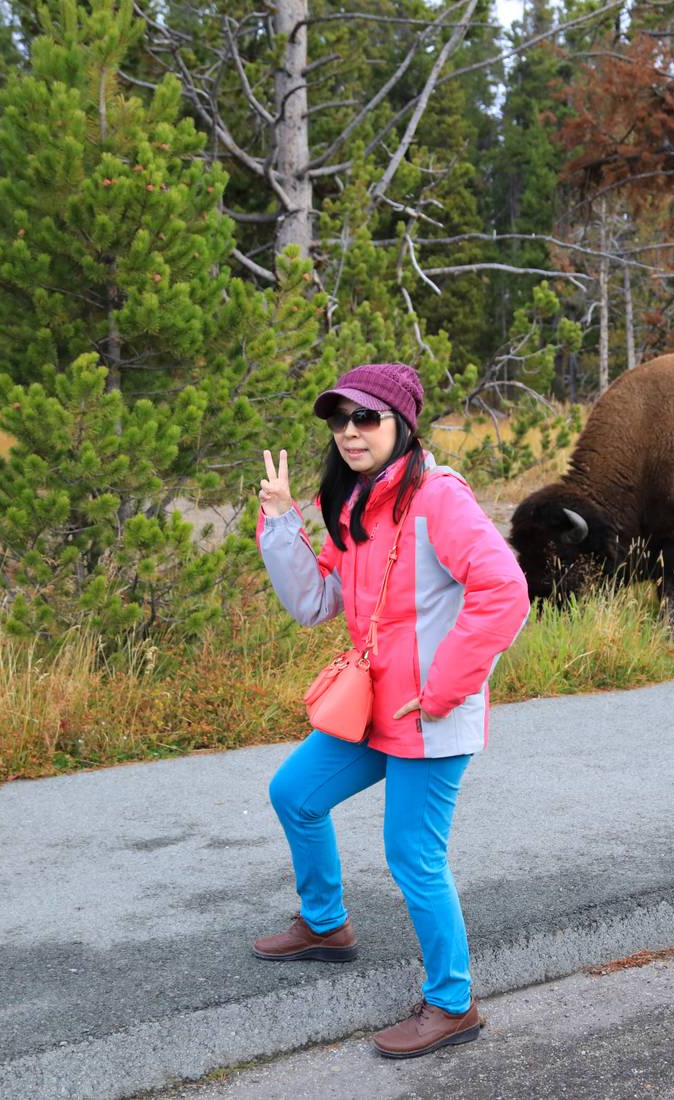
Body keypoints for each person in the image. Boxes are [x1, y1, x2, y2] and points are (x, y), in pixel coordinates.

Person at [252, 362, 529, 1058]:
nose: (349, 432)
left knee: (412, 857)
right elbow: (315, 603)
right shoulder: (353, 505)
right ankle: (326, 924)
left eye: (365, 418)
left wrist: (443, 689)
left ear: (401, 425)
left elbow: (505, 592)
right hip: (373, 708)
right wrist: (283, 522)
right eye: (339, 419)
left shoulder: (441, 499)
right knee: (294, 794)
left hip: (432, 715)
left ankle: (453, 1003)